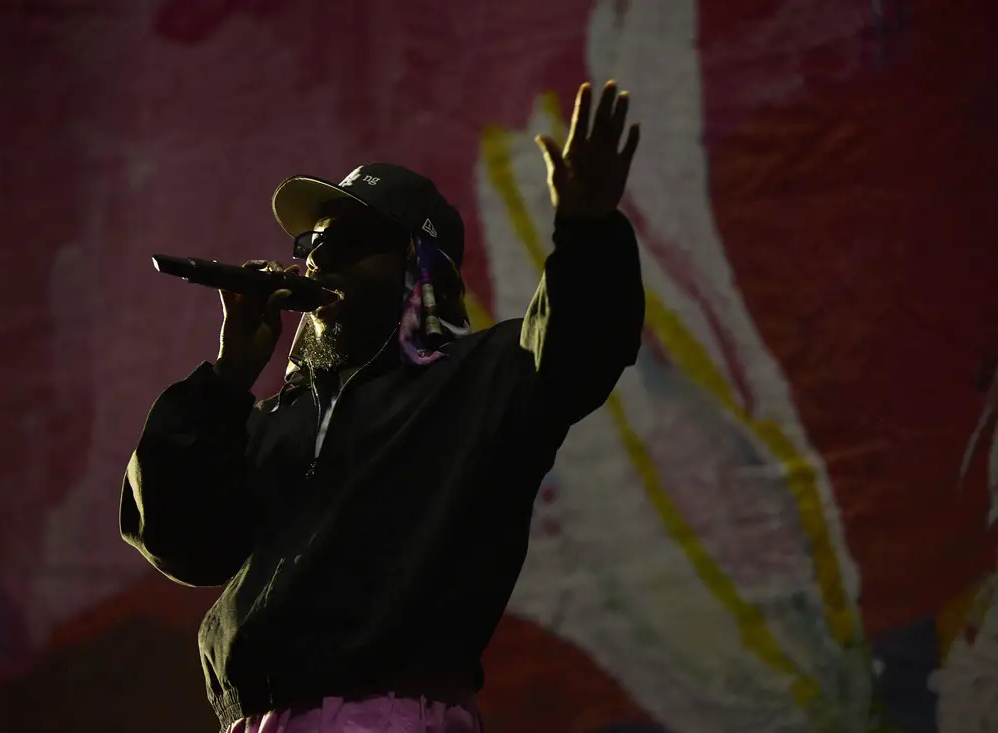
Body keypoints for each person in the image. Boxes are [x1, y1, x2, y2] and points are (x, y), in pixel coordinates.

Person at [120, 80, 645, 733]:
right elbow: (179, 542)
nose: (319, 259)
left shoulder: (478, 380)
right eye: (313, 244)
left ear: (423, 274)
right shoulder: (265, 423)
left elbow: (578, 347)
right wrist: (227, 378)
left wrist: (588, 229)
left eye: (351, 241)